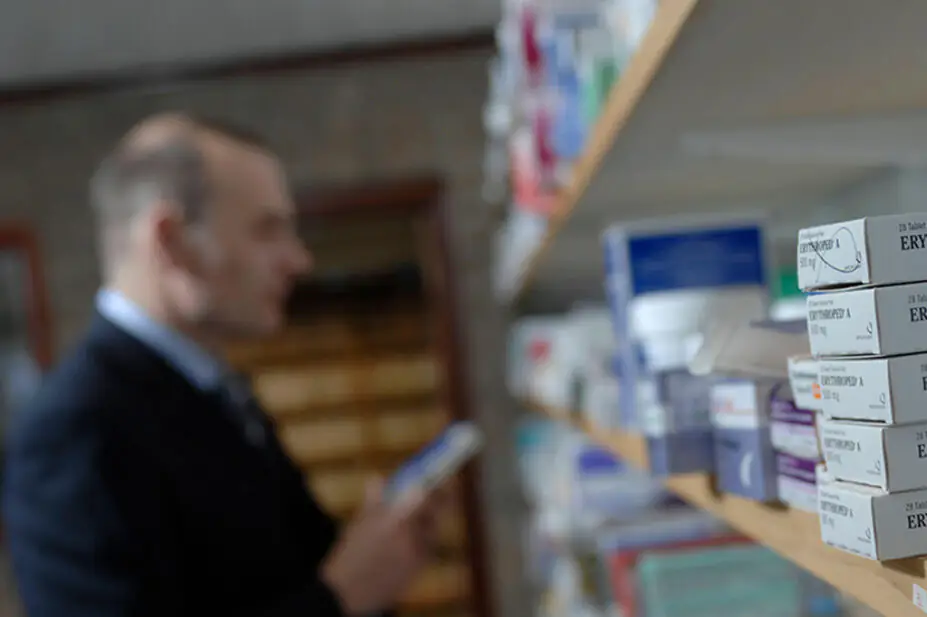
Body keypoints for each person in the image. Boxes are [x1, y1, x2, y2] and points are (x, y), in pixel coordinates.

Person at [2, 113, 446, 617]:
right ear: (171, 242)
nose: (298, 260)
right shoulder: (71, 432)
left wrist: (375, 551)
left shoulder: (215, 391)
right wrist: (342, 594)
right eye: (267, 230)